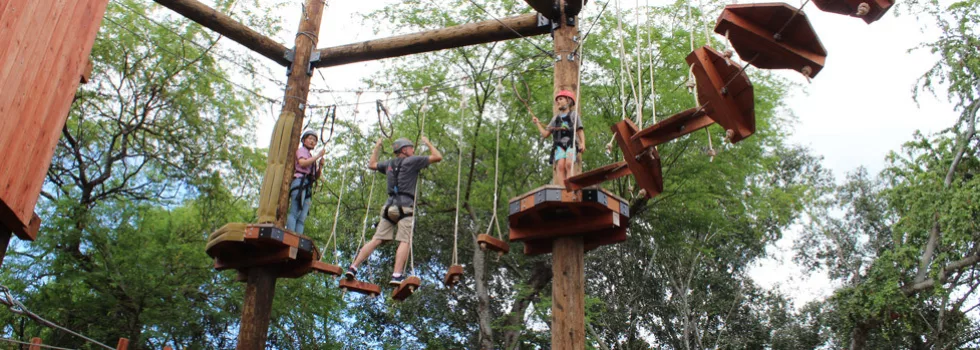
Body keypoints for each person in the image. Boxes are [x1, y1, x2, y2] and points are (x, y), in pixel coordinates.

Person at [346, 136, 442, 286]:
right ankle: (397, 275)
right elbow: (438, 157)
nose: (413, 150)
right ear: (404, 150)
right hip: (405, 206)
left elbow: (371, 164)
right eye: (411, 148)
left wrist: (377, 147)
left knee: (377, 239)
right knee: (405, 240)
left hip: (389, 207)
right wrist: (428, 142)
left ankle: (353, 267)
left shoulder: (389, 164)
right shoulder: (413, 161)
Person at [530, 90, 586, 185]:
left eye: (560, 99)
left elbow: (580, 130)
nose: (558, 102)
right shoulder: (555, 118)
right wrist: (538, 123)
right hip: (559, 145)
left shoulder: (573, 115)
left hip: (571, 144)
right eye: (557, 100)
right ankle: (562, 189)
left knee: (568, 164)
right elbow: (545, 134)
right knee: (560, 166)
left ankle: (570, 187)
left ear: (568, 101)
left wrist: (582, 143)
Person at [286, 129, 325, 234]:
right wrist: (318, 156)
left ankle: (298, 240)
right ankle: (290, 235)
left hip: (307, 185)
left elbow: (315, 176)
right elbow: (302, 163)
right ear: (304, 140)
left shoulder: (311, 157)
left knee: (302, 217)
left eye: (314, 140)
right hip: (300, 182)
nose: (312, 141)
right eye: (310, 139)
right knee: (295, 212)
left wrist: (320, 166)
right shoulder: (302, 151)